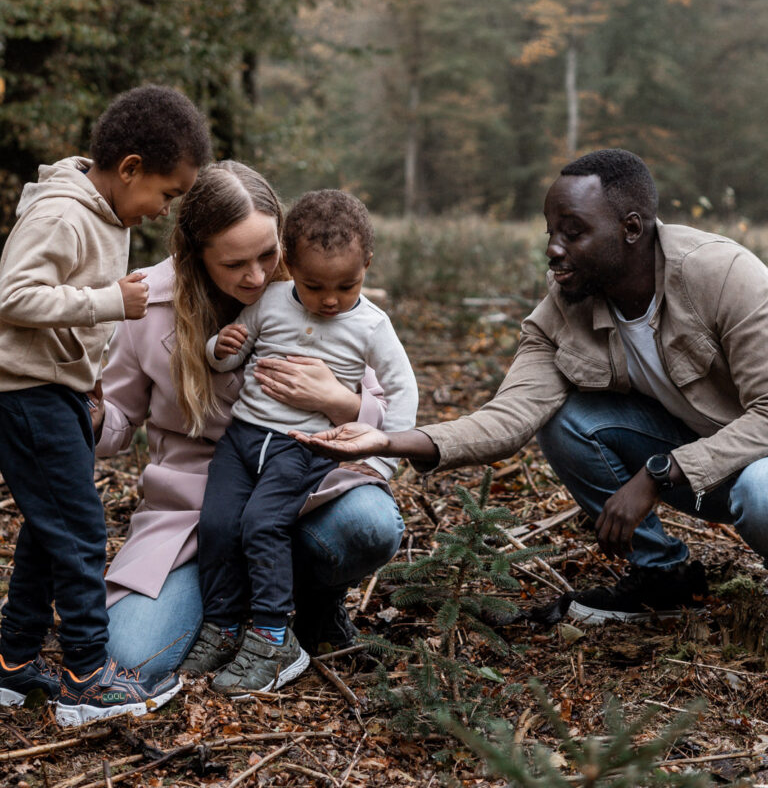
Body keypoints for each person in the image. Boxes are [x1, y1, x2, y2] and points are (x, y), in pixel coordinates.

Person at [295, 149, 768, 624]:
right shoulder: (567, 305)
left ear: (630, 229)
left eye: (573, 233)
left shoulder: (722, 275)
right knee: (568, 419)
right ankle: (662, 579)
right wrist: (387, 441)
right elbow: (509, 417)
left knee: (761, 491)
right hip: (704, 474)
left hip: (750, 464)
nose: (553, 250)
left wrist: (659, 473)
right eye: (551, 233)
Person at [95, 163, 410, 688]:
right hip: (198, 506)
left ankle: (304, 608)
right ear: (196, 253)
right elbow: (120, 420)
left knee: (367, 524)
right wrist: (90, 417)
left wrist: (335, 400)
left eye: (268, 255)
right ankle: (225, 618)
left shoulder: (315, 284)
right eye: (235, 263)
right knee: (131, 655)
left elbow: (383, 406)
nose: (258, 277)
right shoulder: (146, 302)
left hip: (303, 480)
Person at [0, 85, 210, 724]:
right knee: (82, 532)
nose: (164, 210)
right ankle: (88, 676)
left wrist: (89, 371)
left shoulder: (106, 215)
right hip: (24, 393)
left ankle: (11, 660)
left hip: (56, 389)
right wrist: (108, 303)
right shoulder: (62, 215)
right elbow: (13, 295)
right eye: (167, 194)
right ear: (130, 168)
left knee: (51, 530)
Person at [190, 189, 418, 695]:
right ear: (289, 265)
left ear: (367, 265)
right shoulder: (270, 300)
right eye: (314, 286)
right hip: (242, 438)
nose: (331, 299)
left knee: (261, 524)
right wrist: (219, 347)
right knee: (219, 524)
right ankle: (223, 626)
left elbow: (403, 389)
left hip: (301, 447)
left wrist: (382, 461)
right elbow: (232, 353)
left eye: (347, 285)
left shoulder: (371, 325)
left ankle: (272, 637)